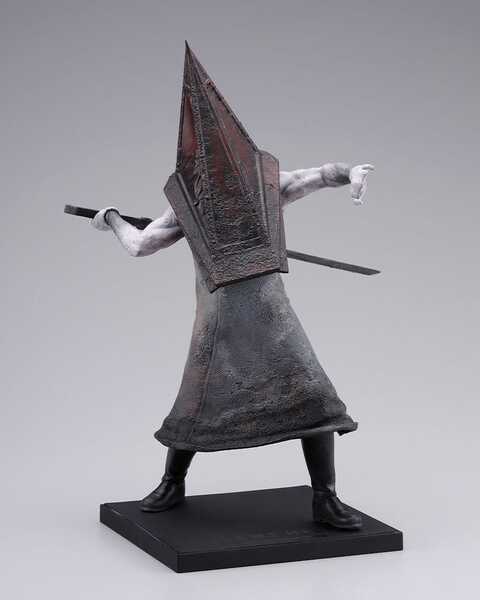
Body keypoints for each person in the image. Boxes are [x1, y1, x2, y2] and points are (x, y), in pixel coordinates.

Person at [92, 160, 374, 530]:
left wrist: (350, 172)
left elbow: (320, 175)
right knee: (196, 403)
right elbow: (141, 244)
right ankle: (172, 483)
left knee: (315, 397)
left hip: (273, 316)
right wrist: (112, 218)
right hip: (219, 321)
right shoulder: (188, 203)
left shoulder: (264, 185)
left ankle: (326, 497)